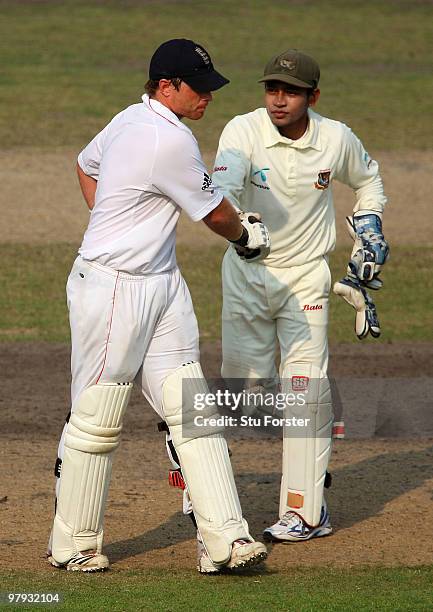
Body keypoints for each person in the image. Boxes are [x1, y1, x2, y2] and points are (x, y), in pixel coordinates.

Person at [47, 38, 270, 574]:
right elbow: (216, 215)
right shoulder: (166, 140)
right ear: (166, 85)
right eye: (199, 87)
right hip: (114, 287)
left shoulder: (127, 118)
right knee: (98, 416)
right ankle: (73, 544)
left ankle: (225, 540)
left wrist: (116, 222)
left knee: (192, 405)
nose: (207, 97)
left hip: (161, 282)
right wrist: (247, 236)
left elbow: (86, 165)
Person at [211, 49, 389, 542]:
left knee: (304, 390)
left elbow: (369, 180)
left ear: (312, 96)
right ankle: (207, 495)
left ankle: (306, 513)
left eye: (290, 92)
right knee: (239, 390)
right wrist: (240, 226)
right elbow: (221, 190)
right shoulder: (242, 132)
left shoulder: (335, 138)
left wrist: (369, 223)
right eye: (272, 89)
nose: (278, 100)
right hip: (247, 275)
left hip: (307, 278)